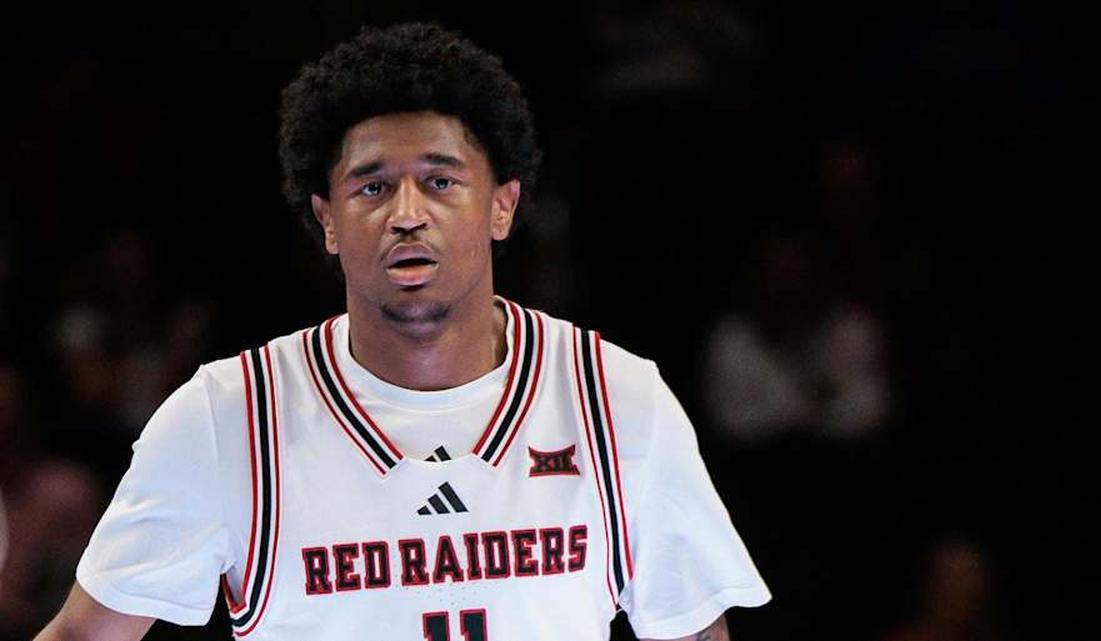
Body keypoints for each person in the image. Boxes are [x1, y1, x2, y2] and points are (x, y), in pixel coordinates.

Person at [35, 23, 769, 641]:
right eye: (372, 186)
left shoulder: (616, 397)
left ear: (503, 206)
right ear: (327, 218)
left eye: (441, 180)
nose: (407, 212)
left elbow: (697, 629)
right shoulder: (228, 416)